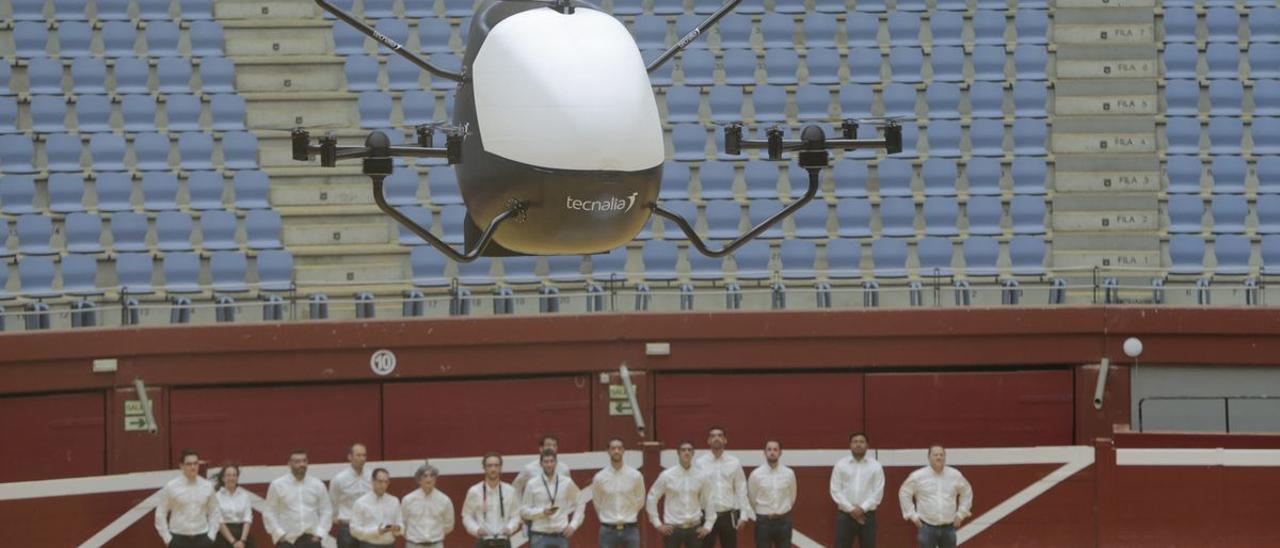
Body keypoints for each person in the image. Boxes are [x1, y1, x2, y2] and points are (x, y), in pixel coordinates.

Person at [899, 445, 973, 548]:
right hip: (926, 527)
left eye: (941, 455)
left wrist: (961, 514)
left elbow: (967, 492)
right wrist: (913, 516)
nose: (939, 457)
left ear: (945, 457)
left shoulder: (955, 475)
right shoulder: (918, 476)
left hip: (949, 527)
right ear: (929, 458)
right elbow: (904, 493)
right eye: (935, 455)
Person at [645, 440, 716, 548]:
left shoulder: (701, 476)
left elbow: (710, 499)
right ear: (678, 453)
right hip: (673, 529)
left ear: (693, 453)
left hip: (694, 529)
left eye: (689, 450)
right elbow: (652, 497)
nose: (686, 452)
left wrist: (708, 525)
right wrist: (657, 524)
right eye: (683, 450)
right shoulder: (667, 475)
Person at [694, 426, 753, 548]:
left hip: (728, 516)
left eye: (720, 435)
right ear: (708, 441)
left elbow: (741, 489)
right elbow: (695, 491)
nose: (717, 438)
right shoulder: (700, 463)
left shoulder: (734, 462)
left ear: (725, 440)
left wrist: (743, 515)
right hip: (706, 516)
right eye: (713, 436)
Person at [263, 448, 333, 547]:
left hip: (311, 540)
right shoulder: (277, 485)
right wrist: (279, 534)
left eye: (304, 461)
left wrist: (320, 534)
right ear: (289, 464)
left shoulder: (317, 485)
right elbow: (269, 512)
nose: (301, 464)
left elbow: (326, 511)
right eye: (297, 461)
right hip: (287, 540)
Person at [519, 449, 584, 548]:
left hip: (561, 535)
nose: (549, 465)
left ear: (556, 463)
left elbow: (580, 502)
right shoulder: (532, 484)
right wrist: (542, 512)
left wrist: (573, 525)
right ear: (541, 464)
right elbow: (524, 511)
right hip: (539, 535)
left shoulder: (566, 482)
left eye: (551, 461)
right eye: (546, 461)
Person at [830, 432, 885, 548]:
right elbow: (835, 490)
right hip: (845, 515)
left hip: (867, 515)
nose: (858, 444)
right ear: (850, 445)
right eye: (855, 442)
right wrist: (851, 509)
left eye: (861, 442)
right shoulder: (841, 465)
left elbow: (878, 492)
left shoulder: (876, 466)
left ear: (867, 446)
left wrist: (862, 508)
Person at [156, 448, 219, 547]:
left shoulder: (207, 486)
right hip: (178, 539)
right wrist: (167, 539)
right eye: (189, 464)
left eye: (195, 463)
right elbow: (160, 513)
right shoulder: (171, 486)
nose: (193, 467)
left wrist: (211, 536)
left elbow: (215, 511)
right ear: (181, 466)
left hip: (202, 538)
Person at [590, 437, 645, 548]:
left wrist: (629, 514)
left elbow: (640, 500)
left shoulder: (635, 475)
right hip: (607, 530)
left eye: (619, 448)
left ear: (624, 450)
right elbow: (597, 502)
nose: (616, 451)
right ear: (608, 451)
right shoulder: (599, 477)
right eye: (613, 448)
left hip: (630, 529)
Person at [462, 452, 522, 548]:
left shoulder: (510, 491)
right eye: (489, 466)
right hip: (483, 541)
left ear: (501, 468)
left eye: (496, 465)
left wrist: (510, 528)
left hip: (504, 540)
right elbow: (467, 516)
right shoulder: (474, 491)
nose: (493, 469)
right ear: (484, 468)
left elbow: (516, 515)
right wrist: (476, 529)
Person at [747, 440, 796, 548]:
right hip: (763, 522)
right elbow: (752, 498)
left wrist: (782, 511)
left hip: (784, 521)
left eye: (775, 449)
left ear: (780, 452)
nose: (772, 452)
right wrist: (763, 513)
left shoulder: (789, 473)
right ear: (764, 452)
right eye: (769, 449)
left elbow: (792, 496)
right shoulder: (756, 474)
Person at [401, 463, 455, 547]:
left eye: (432, 476)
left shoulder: (444, 500)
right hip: (413, 544)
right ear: (419, 480)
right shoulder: (408, 500)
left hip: (436, 544)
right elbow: (402, 522)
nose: (429, 479)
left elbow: (449, 525)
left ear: (435, 479)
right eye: (425, 476)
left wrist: (435, 536)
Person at [329, 443, 372, 548]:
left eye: (364, 455)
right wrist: (338, 518)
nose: (362, 458)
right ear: (350, 457)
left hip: (368, 527)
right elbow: (332, 503)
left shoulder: (372, 477)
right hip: (347, 529)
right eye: (358, 455)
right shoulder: (339, 479)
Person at [350, 468, 402, 548]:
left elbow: (400, 523)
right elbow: (354, 529)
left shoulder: (394, 501)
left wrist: (397, 529)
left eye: (386, 482)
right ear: (372, 481)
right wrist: (376, 531)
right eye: (380, 481)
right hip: (369, 544)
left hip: (389, 544)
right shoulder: (361, 502)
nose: (383, 485)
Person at [512, 434, 571, 500]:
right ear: (541, 448)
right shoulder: (529, 468)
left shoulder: (564, 469)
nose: (551, 448)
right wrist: (520, 507)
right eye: (548, 445)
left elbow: (569, 490)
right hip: (537, 509)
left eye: (554, 445)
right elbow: (516, 487)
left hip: (559, 508)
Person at [214, 463, 255, 548]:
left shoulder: (244, 496)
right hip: (223, 537)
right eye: (228, 475)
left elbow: (248, 519)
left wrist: (242, 541)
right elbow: (219, 521)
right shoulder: (216, 497)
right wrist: (233, 542)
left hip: (243, 536)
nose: (231, 478)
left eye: (234, 475)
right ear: (223, 478)